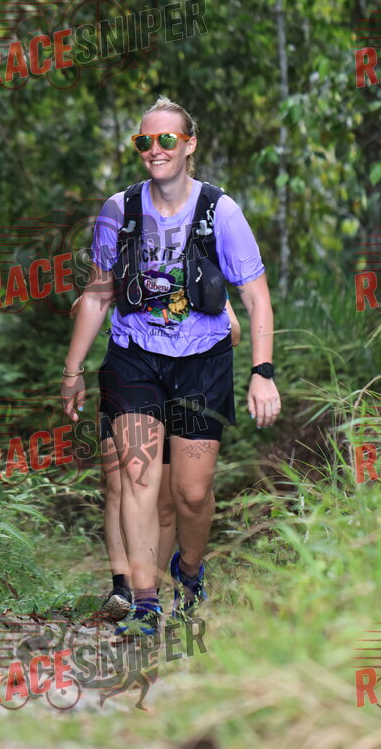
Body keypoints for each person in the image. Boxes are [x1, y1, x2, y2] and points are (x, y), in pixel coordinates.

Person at [62, 96, 280, 634]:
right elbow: (98, 293)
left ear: (189, 145)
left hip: (202, 362)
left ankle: (190, 569)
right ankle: (144, 603)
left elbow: (256, 296)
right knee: (138, 478)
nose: (155, 150)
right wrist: (72, 370)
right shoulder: (119, 210)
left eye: (166, 140)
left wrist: (262, 372)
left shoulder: (219, 211)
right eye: (145, 141)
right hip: (134, 357)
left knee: (191, 494)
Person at [69, 294, 241, 621]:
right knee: (120, 484)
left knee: (165, 500)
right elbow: (87, 306)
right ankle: (123, 588)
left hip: (184, 382)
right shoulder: (121, 268)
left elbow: (233, 331)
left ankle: (152, 593)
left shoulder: (200, 273)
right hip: (129, 378)